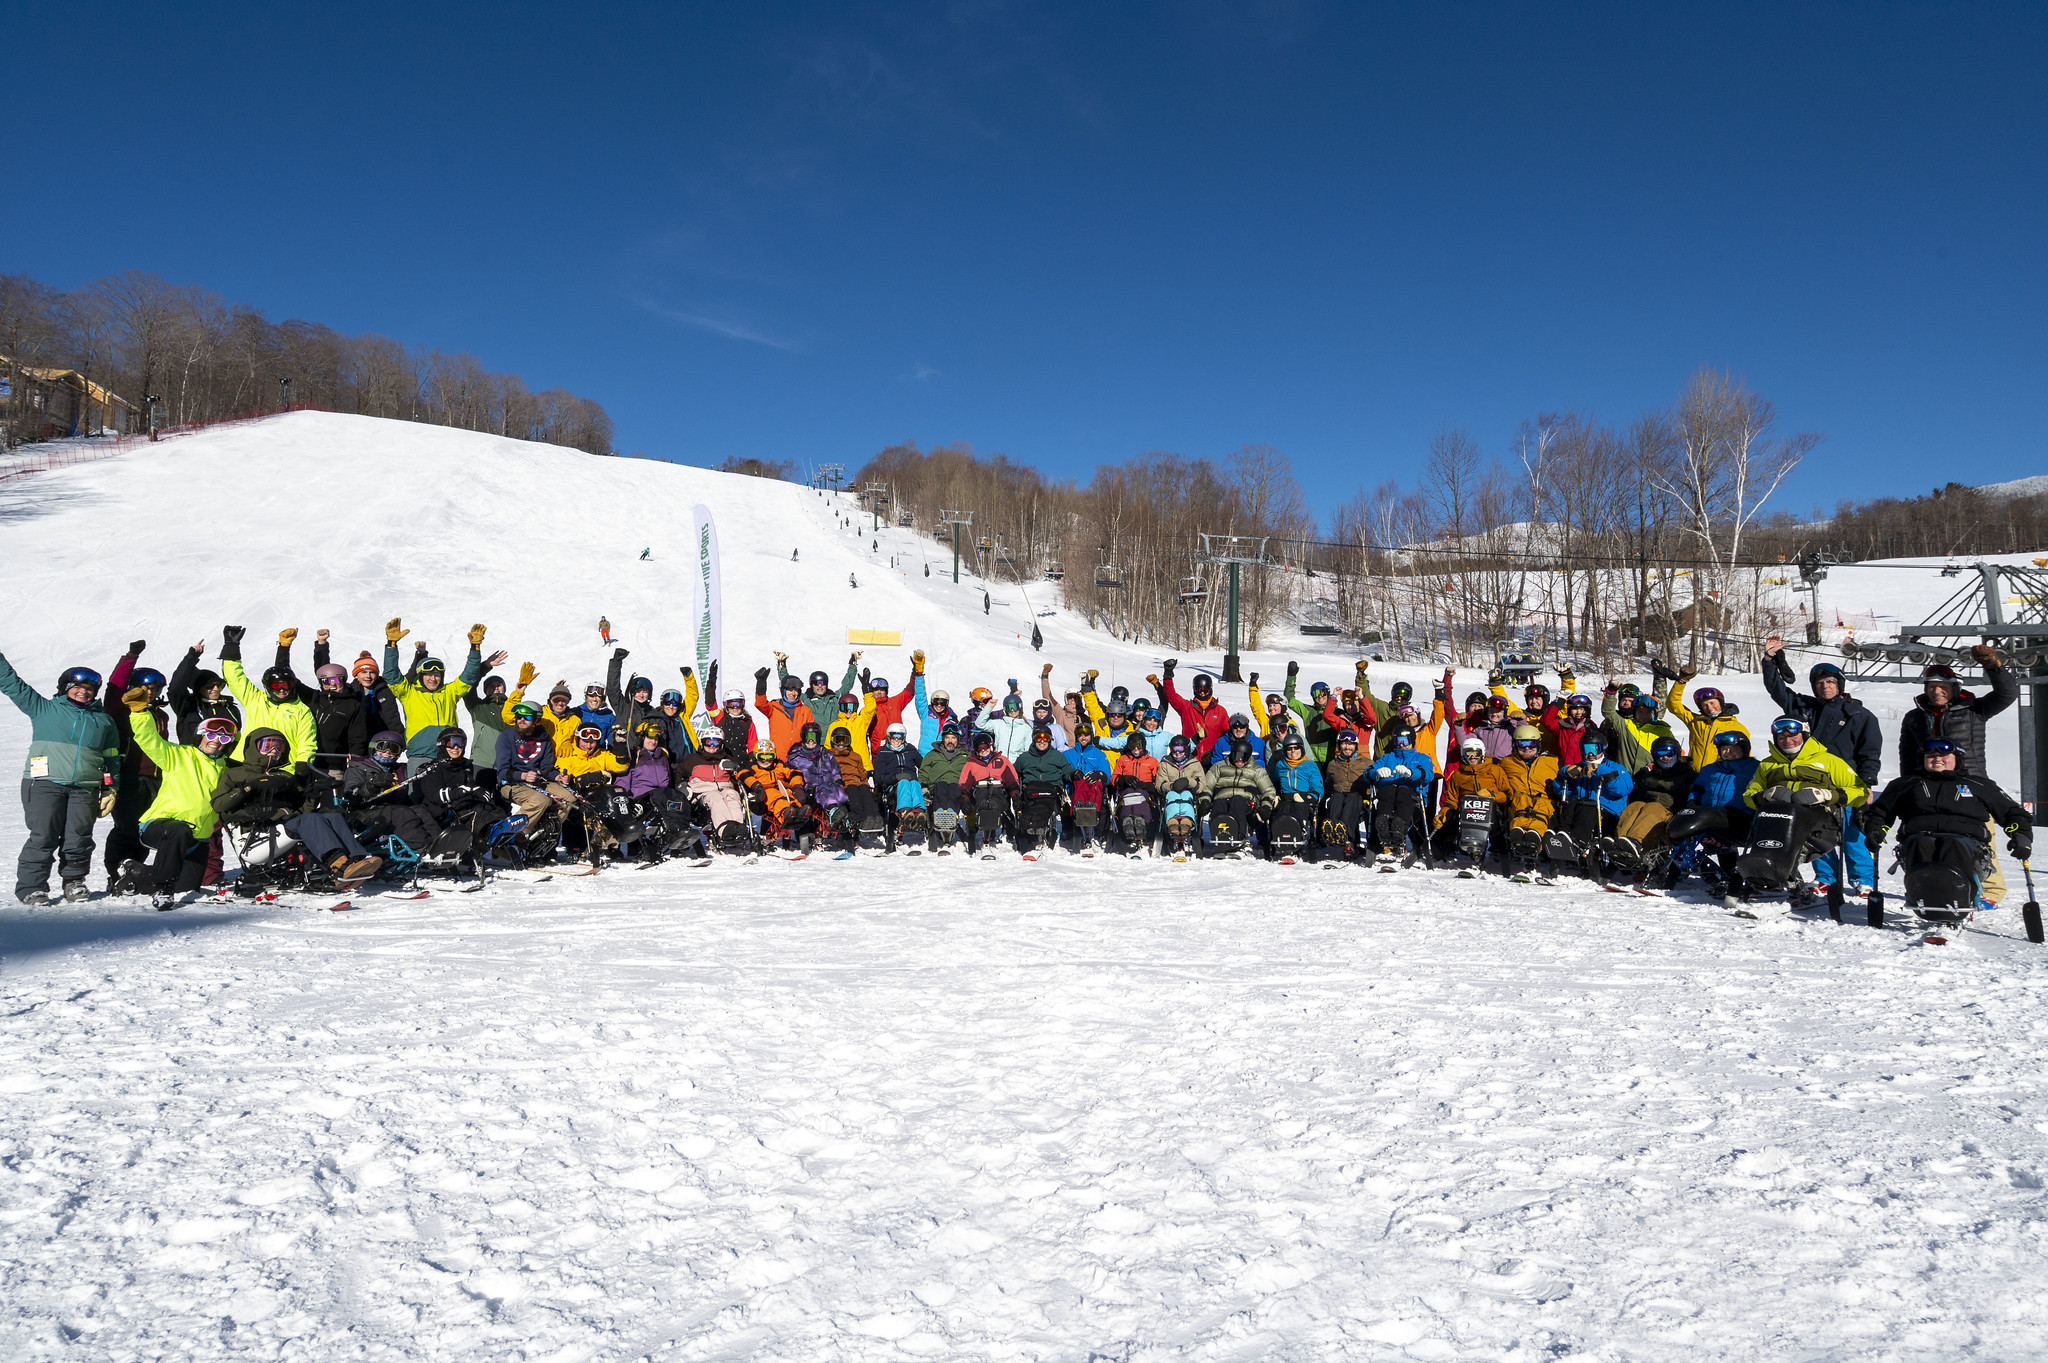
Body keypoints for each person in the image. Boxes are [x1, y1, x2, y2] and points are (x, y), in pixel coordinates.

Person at [1761, 638, 1883, 895]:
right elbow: (1777, 690)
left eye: (1830, 682)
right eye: (1819, 683)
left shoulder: (1858, 715)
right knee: (1818, 831)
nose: (1825, 686)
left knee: (1852, 833)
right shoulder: (1805, 708)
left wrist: (1868, 783)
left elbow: (1870, 752)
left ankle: (1863, 880)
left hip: (1846, 781)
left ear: (1839, 685)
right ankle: (1826, 877)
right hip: (1813, 782)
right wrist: (1770, 661)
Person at [1899, 650, 2020, 903]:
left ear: (1955, 688)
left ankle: (1990, 891)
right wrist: (1907, 790)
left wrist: (1993, 666)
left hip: (1971, 783)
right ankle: (1931, 885)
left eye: (1943, 686)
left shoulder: (1975, 709)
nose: (1937, 692)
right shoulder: (1915, 716)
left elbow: (2007, 694)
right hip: (1928, 786)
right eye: (1932, 687)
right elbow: (1907, 755)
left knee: (1981, 838)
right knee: (1928, 839)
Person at [1, 651, 121, 905]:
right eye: (78, 687)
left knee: (79, 837)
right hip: (45, 783)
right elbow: (13, 684)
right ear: (66, 688)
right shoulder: (44, 709)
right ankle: (32, 887)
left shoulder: (104, 722)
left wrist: (110, 789)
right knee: (43, 835)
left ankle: (74, 881)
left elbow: (111, 759)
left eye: (89, 689)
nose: (84, 692)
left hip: (85, 788)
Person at [1863, 736, 2033, 913]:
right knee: (1920, 843)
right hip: (1918, 839)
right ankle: (1921, 893)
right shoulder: (1906, 784)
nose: (1937, 759)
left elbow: (2013, 813)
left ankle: (1966, 895)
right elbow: (1880, 812)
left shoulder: (1978, 785)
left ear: (1957, 758)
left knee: (1953, 845)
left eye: (1944, 755)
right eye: (1930, 756)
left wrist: (2021, 836)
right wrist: (1876, 831)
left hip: (1966, 843)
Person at [212, 729, 383, 882]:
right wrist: (249, 788)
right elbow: (219, 804)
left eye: (279, 746)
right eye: (268, 744)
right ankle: (338, 864)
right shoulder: (235, 774)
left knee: (331, 815)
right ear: (254, 747)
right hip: (254, 837)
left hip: (280, 828)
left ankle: (357, 860)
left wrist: (314, 793)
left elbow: (302, 811)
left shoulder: (284, 776)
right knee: (308, 820)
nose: (274, 750)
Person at [118, 697, 236, 909]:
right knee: (179, 831)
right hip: (161, 826)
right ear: (200, 735)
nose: (216, 740)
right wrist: (139, 713)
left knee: (188, 887)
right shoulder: (178, 755)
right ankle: (164, 889)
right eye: (210, 735)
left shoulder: (226, 770)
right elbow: (148, 739)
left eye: (223, 738)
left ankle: (136, 873)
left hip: (198, 836)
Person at [1737, 715, 1868, 902]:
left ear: (1804, 735)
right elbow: (1749, 794)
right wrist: (1764, 795)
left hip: (1820, 822)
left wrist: (1828, 795)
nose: (1787, 741)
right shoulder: (1767, 764)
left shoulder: (1829, 761)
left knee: (1795, 823)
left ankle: (1780, 873)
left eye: (1793, 736)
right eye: (1781, 738)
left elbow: (1860, 791)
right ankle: (1766, 872)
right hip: (1779, 820)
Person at [98, 640, 170, 880]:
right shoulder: (121, 709)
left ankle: (135, 870)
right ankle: (118, 870)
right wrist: (131, 656)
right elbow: (115, 687)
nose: (150, 691)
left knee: (145, 828)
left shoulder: (160, 715)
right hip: (128, 778)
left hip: (155, 780)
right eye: (145, 686)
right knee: (126, 828)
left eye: (155, 688)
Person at [380, 618, 496, 763]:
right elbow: (391, 675)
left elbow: (469, 677)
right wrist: (391, 645)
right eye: (429, 675)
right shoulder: (408, 692)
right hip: (420, 754)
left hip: (449, 752)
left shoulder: (449, 692)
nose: (433, 679)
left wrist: (475, 648)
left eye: (437, 675)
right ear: (421, 676)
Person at [1600, 736, 1692, 884]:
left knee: (1652, 807)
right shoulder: (1648, 775)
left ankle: (1635, 844)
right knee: (1633, 807)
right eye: (1660, 753)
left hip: (1671, 813)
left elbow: (1692, 798)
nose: (1666, 757)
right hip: (1647, 811)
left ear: (1677, 753)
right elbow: (1638, 796)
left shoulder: (1688, 775)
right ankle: (1620, 847)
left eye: (1670, 753)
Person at [1497, 725, 1561, 878]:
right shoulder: (1507, 762)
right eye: (1522, 744)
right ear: (1515, 745)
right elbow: (1498, 781)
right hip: (1518, 801)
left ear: (1538, 744)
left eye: (1531, 744)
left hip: (1545, 801)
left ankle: (1533, 838)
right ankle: (1518, 835)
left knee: (1541, 804)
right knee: (1521, 800)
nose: (1527, 749)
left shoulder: (1552, 761)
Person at [1658, 667, 1748, 771]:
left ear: (1721, 703)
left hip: (1716, 777)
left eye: (1712, 703)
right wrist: (1681, 682)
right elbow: (1673, 705)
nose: (1709, 708)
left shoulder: (1736, 727)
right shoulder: (1696, 721)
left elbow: (1744, 757)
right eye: (1705, 705)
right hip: (1693, 775)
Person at [1367, 730, 1435, 864]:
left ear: (1412, 741)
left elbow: (1428, 774)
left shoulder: (1421, 758)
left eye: (1405, 741)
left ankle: (1399, 827)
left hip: (1410, 796)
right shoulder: (1387, 758)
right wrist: (1376, 772)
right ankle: (1384, 825)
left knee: (1403, 791)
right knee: (1388, 790)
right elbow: (1367, 772)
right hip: (1388, 795)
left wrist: (1411, 773)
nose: (1401, 745)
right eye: (1398, 741)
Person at [1204, 740, 1277, 855]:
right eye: (1237, 756)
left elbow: (1268, 790)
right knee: (1219, 803)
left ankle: (1240, 837)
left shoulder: (1257, 770)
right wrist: (1205, 800)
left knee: (1236, 800)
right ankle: (1220, 835)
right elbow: (1207, 785)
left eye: (1244, 756)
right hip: (1222, 798)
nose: (1240, 760)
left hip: (1246, 803)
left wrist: (1266, 806)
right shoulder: (1219, 767)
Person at [168, 641, 244, 745]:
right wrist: (192, 657)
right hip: (192, 759)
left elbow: (237, 740)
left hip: (222, 760)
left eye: (219, 685)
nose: (216, 688)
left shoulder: (230, 708)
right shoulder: (188, 707)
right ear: (199, 688)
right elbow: (176, 688)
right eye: (210, 686)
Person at [960, 730, 1021, 852]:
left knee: (997, 803)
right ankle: (986, 832)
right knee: (985, 803)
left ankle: (1007, 831)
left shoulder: (1002, 761)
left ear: (990, 746)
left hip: (999, 791)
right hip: (980, 792)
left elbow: (1012, 780)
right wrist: (965, 800)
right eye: (979, 748)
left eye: (985, 747)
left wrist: (1015, 796)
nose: (983, 750)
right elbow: (964, 784)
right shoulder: (971, 763)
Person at [1320, 727, 1375, 860]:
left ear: (1355, 746)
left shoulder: (1366, 763)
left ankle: (1347, 837)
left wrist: (1369, 796)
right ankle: (1332, 830)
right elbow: (1328, 784)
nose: (1347, 747)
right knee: (1337, 798)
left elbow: (1374, 782)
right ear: (1339, 745)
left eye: (1350, 744)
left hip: (1358, 798)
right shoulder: (1333, 764)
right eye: (1344, 744)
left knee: (1352, 798)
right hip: (1339, 796)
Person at [1158, 659, 1229, 756]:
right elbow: (1171, 696)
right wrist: (1168, 675)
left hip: (1213, 757)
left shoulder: (1220, 711)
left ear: (1211, 689)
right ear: (1194, 689)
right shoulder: (1186, 707)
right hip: (1190, 757)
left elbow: (1227, 734)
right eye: (1199, 689)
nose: (1202, 692)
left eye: (1205, 689)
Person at [778, 651, 861, 733]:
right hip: (813, 742)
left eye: (823, 683)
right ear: (811, 685)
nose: (820, 686)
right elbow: (789, 683)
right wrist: (782, 665)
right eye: (816, 683)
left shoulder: (834, 697)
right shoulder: (806, 699)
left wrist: (852, 664)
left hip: (832, 742)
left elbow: (847, 684)